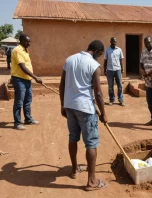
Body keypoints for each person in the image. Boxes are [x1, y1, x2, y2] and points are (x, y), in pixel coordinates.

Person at [59, 40, 108, 191]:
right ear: (97, 52)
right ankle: (92, 182)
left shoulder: (70, 59)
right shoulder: (94, 65)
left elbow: (61, 85)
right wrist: (104, 114)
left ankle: (74, 170)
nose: (99, 58)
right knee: (91, 143)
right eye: (100, 55)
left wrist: (63, 105)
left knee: (73, 138)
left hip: (70, 107)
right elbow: (98, 93)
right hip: (85, 109)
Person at [11, 34, 43, 130]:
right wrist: (35, 77)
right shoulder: (17, 50)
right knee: (19, 102)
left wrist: (31, 77)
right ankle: (17, 123)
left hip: (27, 79)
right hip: (19, 79)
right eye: (26, 41)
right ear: (20, 41)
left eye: (29, 41)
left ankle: (28, 119)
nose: (28, 43)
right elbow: (22, 66)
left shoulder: (25, 50)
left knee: (28, 101)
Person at [104, 37, 125, 106]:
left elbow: (121, 60)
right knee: (110, 86)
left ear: (116, 42)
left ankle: (121, 100)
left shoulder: (119, 50)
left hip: (118, 69)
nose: (114, 43)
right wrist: (105, 70)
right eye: (113, 42)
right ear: (110, 42)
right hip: (109, 70)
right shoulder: (107, 50)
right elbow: (105, 60)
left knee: (120, 86)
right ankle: (111, 99)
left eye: (115, 42)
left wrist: (122, 68)